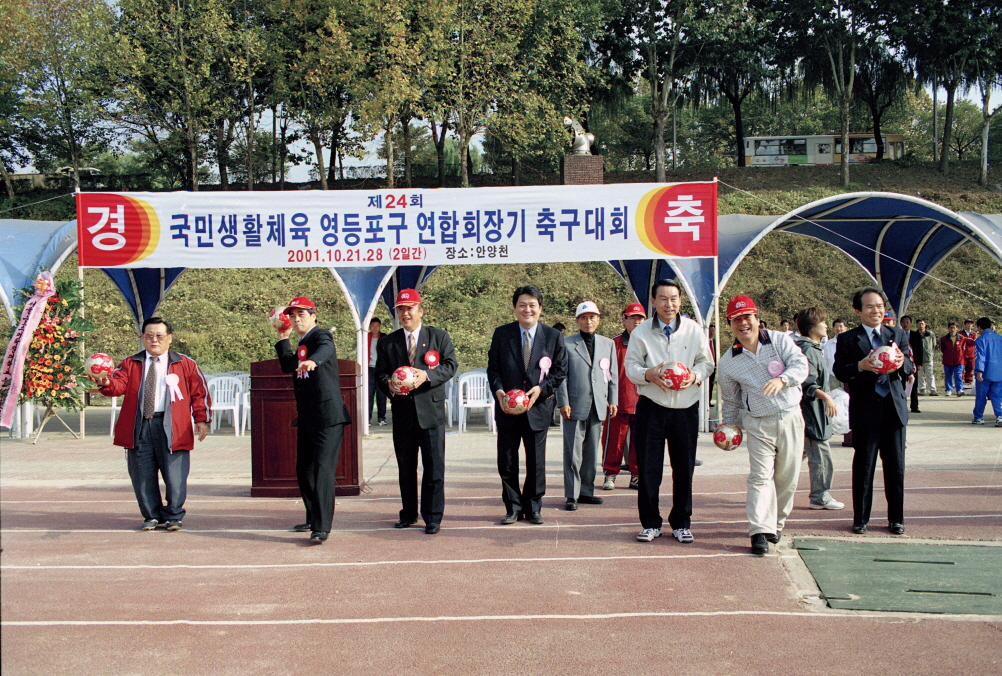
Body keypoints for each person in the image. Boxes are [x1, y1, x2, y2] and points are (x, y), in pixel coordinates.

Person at [92, 317, 211, 532]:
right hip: (140, 425)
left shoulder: (184, 363)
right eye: (149, 336)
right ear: (142, 338)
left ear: (170, 338)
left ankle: (174, 515)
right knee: (142, 474)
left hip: (172, 426)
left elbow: (199, 392)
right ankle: (151, 515)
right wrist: (106, 383)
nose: (154, 340)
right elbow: (118, 385)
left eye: (159, 336)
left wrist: (201, 419)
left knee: (175, 474)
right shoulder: (130, 363)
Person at [624, 280, 714, 544]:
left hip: (685, 407)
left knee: (684, 467)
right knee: (649, 468)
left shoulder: (693, 329)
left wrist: (694, 376)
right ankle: (650, 523)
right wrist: (649, 374)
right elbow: (631, 367)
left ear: (680, 301)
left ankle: (681, 522)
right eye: (663, 298)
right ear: (653, 301)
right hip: (651, 406)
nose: (669, 304)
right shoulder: (641, 332)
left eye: (674, 298)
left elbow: (706, 362)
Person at [718, 296, 808, 556]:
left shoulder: (779, 340)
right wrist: (728, 428)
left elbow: (800, 365)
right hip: (758, 423)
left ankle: (776, 524)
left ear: (757, 318)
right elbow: (731, 399)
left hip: (790, 416)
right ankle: (758, 531)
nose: (743, 323)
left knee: (787, 477)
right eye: (737, 320)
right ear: (730, 325)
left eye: (747, 317)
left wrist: (783, 379)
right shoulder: (728, 361)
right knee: (759, 477)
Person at [375, 289, 457, 534]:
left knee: (434, 467)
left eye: (410, 308)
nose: (405, 313)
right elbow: (379, 373)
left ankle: (432, 517)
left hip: (430, 413)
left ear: (421, 310)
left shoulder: (438, 337)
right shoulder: (389, 342)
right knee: (405, 468)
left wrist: (427, 375)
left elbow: (451, 365)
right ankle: (408, 513)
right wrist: (389, 384)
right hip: (402, 413)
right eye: (400, 309)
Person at [833, 287, 912, 536]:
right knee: (864, 468)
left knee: (896, 468)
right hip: (866, 411)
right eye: (870, 306)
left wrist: (901, 363)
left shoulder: (897, 334)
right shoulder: (848, 339)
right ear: (858, 311)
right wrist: (860, 365)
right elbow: (840, 370)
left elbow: (910, 365)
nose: (876, 310)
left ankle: (896, 520)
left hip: (893, 411)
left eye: (879, 306)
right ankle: (861, 519)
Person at [488, 285, 567, 525]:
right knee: (507, 461)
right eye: (522, 305)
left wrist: (541, 390)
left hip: (537, 409)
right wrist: (500, 392)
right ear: (514, 308)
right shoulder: (502, 334)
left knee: (536, 462)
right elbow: (493, 369)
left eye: (532, 305)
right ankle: (512, 507)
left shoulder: (553, 336)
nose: (527, 309)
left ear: (540, 309)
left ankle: (533, 506)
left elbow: (560, 371)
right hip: (508, 410)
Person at [275, 296, 352, 544]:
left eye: (302, 315)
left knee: (322, 471)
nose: (297, 320)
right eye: (294, 316)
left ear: (313, 316)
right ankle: (312, 516)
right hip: (308, 418)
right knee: (304, 470)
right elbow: (288, 365)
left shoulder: (321, 336)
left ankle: (321, 528)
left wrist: (313, 361)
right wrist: (282, 337)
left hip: (328, 417)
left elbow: (325, 350)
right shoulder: (301, 342)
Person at [557, 301, 618, 510]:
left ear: (598, 319)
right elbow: (561, 376)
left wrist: (613, 399)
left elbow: (612, 376)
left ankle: (586, 491)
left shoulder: (608, 344)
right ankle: (571, 494)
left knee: (592, 452)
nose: (588, 321)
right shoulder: (566, 344)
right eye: (584, 317)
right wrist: (563, 401)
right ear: (577, 321)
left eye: (592, 317)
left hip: (599, 404)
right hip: (574, 405)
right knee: (573, 452)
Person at [793, 307, 844, 512]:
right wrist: (826, 397)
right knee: (821, 456)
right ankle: (820, 496)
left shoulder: (812, 348)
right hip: (811, 411)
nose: (826, 326)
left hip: (813, 411)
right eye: (822, 322)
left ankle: (771, 488)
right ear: (812, 327)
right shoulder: (807, 350)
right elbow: (807, 384)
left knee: (796, 455)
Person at [601, 303, 645, 490]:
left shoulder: (650, 342)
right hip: (618, 402)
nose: (636, 321)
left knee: (640, 441)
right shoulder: (614, 344)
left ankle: (636, 474)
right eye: (632, 317)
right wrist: (609, 399)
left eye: (640, 318)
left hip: (643, 401)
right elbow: (606, 375)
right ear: (624, 320)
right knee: (614, 441)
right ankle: (610, 474)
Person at [972, 317, 1002, 427]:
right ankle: (1000, 416)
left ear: (979, 328)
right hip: (999, 372)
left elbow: (980, 356)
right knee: (997, 395)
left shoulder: (980, 340)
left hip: (985, 373)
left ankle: (979, 417)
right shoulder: (1000, 338)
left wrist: (979, 371)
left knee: (981, 395)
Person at [367, 317, 387, 426]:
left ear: (380, 327)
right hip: (369, 368)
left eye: (377, 326)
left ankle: (381, 418)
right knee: (369, 394)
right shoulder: (365, 337)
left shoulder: (384, 338)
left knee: (381, 393)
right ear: (369, 327)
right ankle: (367, 418)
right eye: (373, 326)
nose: (375, 328)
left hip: (380, 369)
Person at [901, 315, 922, 413]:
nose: (905, 324)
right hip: (901, 364)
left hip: (913, 364)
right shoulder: (898, 334)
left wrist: (919, 363)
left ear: (911, 324)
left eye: (907, 322)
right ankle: (902, 405)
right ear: (901, 324)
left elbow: (920, 350)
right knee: (901, 385)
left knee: (914, 384)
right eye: (904, 322)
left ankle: (914, 406)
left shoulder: (916, 335)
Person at [940, 322, 967, 397]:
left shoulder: (962, 338)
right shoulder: (944, 339)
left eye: (954, 327)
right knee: (948, 376)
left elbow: (963, 349)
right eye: (951, 327)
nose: (952, 329)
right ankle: (949, 390)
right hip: (947, 361)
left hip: (959, 361)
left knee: (958, 376)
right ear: (948, 328)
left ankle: (959, 390)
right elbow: (942, 349)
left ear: (957, 328)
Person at [915, 319, 938, 396]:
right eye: (919, 324)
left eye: (922, 324)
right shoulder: (915, 335)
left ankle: (932, 389)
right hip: (918, 359)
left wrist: (931, 354)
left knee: (930, 374)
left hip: (928, 358)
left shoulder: (930, 334)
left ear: (925, 324)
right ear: (916, 325)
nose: (921, 326)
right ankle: (922, 389)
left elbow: (934, 345)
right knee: (920, 375)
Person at [961, 318, 977, 387]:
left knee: (970, 368)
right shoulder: (960, 333)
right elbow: (961, 341)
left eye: (970, 324)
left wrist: (967, 340)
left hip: (971, 354)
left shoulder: (974, 334)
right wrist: (968, 340)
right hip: (962, 354)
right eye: (968, 324)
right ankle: (960, 381)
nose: (969, 325)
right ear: (965, 325)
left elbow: (974, 342)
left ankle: (968, 381)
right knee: (961, 368)